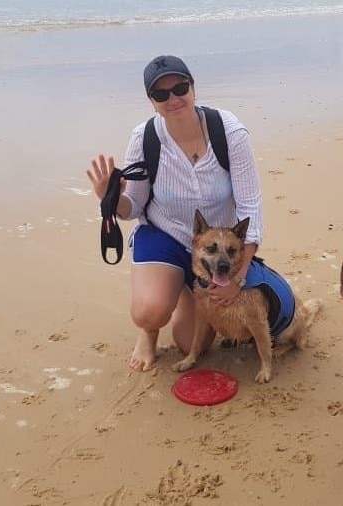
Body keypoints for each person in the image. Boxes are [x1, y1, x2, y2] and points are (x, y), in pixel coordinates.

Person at [86, 55, 264, 371]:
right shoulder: (144, 138)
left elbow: (251, 208)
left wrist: (237, 277)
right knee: (149, 312)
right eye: (161, 94)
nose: (173, 98)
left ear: (193, 87)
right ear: (151, 101)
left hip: (217, 247)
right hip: (164, 236)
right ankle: (149, 334)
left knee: (191, 343)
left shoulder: (229, 132)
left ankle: (185, 286)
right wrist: (109, 198)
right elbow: (134, 207)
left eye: (180, 87)